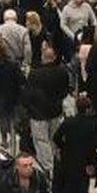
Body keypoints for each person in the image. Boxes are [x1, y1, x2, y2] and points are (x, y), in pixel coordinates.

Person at [22, 41, 70, 176]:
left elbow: (28, 94)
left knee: (41, 141)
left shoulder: (35, 74)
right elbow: (65, 91)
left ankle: (48, 168)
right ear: (54, 57)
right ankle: (56, 163)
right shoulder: (62, 71)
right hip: (55, 111)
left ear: (43, 57)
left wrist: (28, 108)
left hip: (38, 114)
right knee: (54, 139)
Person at [53, 96, 97, 193]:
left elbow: (56, 137)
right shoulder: (93, 124)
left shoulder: (68, 122)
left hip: (69, 155)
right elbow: (95, 143)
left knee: (70, 179)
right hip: (86, 157)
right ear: (88, 109)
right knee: (83, 183)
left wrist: (64, 146)